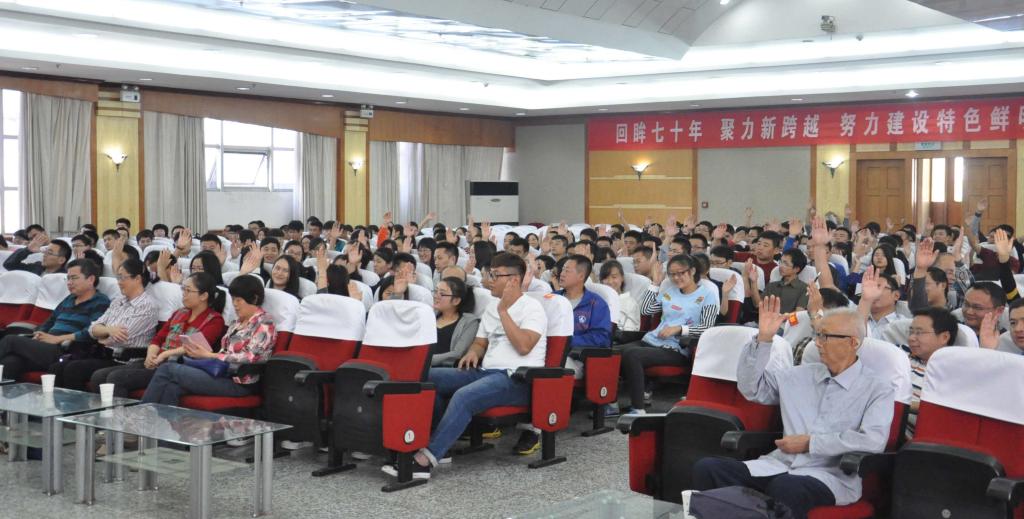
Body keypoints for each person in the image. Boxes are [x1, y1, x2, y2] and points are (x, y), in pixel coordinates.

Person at [691, 298, 895, 519]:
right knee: (708, 468)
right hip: (778, 464)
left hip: (828, 475)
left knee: (786, 487)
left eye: (825, 336)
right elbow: (752, 389)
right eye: (817, 335)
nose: (817, 343)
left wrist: (811, 443)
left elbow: (873, 440)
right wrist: (764, 339)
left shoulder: (877, 389)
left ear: (853, 342)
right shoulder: (799, 375)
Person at [390, 253, 547, 480]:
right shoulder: (492, 306)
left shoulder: (532, 308)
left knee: (464, 396)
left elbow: (524, 346)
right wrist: (473, 352)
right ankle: (439, 445)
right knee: (426, 377)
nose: (489, 280)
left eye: (495, 275)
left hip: (517, 379)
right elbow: (480, 342)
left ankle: (425, 461)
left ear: (514, 280)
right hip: (485, 372)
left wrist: (504, 311)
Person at [142, 275, 275, 406]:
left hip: (239, 382)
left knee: (167, 369)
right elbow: (224, 350)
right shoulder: (237, 322)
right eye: (233, 299)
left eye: (239, 300)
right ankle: (162, 420)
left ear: (254, 299)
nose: (235, 304)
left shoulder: (264, 322)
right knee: (172, 387)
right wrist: (203, 354)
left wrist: (209, 355)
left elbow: (252, 357)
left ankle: (143, 414)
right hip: (220, 373)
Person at [89, 272, 227, 397]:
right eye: (183, 289)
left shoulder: (214, 320)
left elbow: (194, 347)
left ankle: (119, 416)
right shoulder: (179, 313)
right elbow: (158, 338)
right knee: (98, 376)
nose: (183, 293)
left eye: (188, 290)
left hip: (177, 366)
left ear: (203, 296)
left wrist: (164, 355)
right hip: (156, 361)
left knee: (117, 378)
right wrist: (151, 355)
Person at [617, 254, 719, 415]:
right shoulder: (670, 292)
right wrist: (655, 283)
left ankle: (638, 408)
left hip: (676, 347)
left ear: (692, 271)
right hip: (652, 340)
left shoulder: (708, 294)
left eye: (681, 273)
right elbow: (646, 310)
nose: (676, 278)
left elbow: (707, 327)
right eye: (672, 274)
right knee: (612, 352)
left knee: (632, 354)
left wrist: (680, 329)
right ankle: (610, 402)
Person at [0, 260, 110, 381]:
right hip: (46, 347)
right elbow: (50, 321)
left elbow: (92, 332)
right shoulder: (69, 299)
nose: (69, 283)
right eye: (68, 278)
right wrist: (40, 333)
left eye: (74, 278)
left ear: (91, 279)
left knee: (10, 340)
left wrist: (58, 339)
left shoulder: (100, 302)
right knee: (11, 362)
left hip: (67, 349)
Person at [58, 258, 159, 390]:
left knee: (81, 371)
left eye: (122, 278)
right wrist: (109, 330)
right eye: (118, 278)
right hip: (107, 355)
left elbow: (118, 338)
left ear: (137, 279)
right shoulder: (118, 301)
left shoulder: (146, 306)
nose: (118, 282)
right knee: (63, 367)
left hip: (129, 359)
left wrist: (103, 333)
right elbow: (92, 329)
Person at [896, 306, 959, 440]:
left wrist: (899, 404)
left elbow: (941, 412)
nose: (911, 338)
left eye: (919, 333)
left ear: (944, 337)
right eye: (911, 331)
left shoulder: (952, 372)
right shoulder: (900, 353)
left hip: (907, 437)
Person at [430, 277, 480, 367]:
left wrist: (426, 360)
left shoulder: (470, 322)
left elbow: (457, 353)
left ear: (456, 300)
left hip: (445, 368)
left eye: (442, 294)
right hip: (420, 364)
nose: (436, 296)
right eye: (435, 291)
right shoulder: (429, 315)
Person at [749, 249, 809, 313]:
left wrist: (780, 318)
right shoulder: (772, 286)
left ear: (796, 269)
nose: (781, 266)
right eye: (781, 262)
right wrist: (753, 282)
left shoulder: (805, 288)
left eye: (786, 264)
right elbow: (757, 304)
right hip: (768, 318)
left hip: (788, 319)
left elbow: (798, 313)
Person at [599, 260, 642, 343]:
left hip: (617, 344)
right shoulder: (596, 300)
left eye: (614, 277)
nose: (610, 282)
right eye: (606, 278)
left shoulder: (630, 303)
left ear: (622, 278)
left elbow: (628, 334)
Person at [855, 267, 902, 340]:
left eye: (878, 286)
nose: (873, 292)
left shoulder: (905, 325)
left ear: (896, 295)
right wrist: (865, 301)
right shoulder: (852, 319)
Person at [3, 233, 71, 275]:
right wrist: (27, 250)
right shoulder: (37, 267)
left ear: (61, 260)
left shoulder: (66, 277)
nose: (44, 255)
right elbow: (8, 265)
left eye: (49, 252)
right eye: (45, 251)